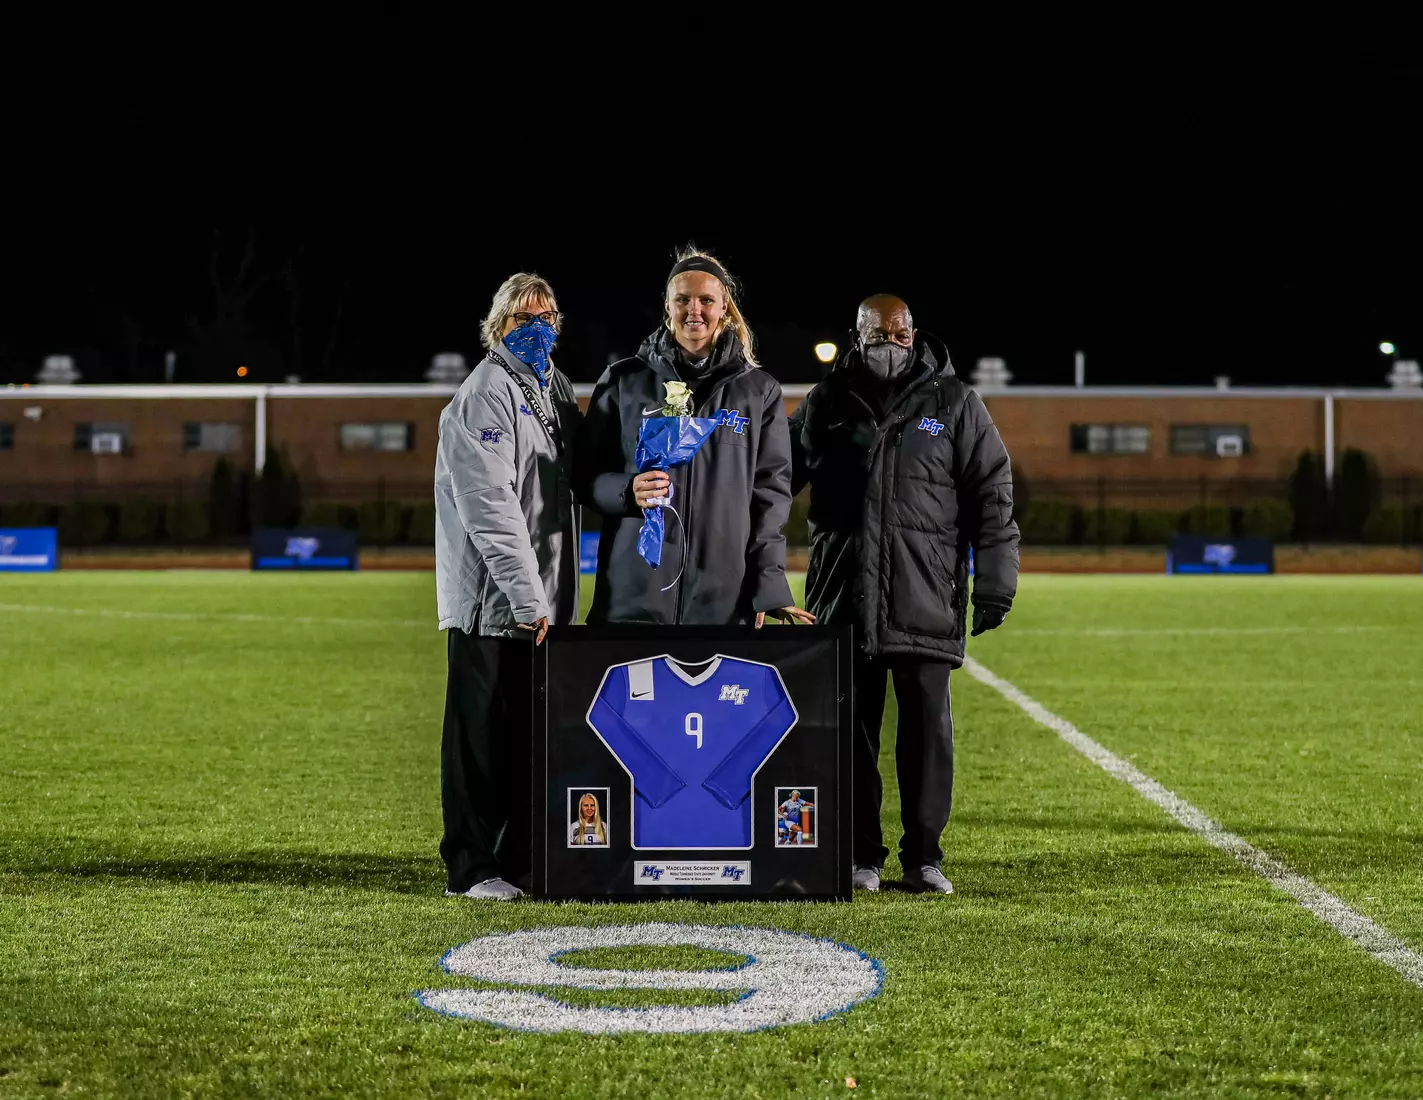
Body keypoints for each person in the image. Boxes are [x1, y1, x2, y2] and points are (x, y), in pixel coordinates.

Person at [789, 294, 1020, 895]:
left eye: (899, 333)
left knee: (926, 733)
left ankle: (924, 859)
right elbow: (773, 478)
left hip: (924, 594)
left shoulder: (955, 402)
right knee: (852, 733)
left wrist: (996, 579)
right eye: (876, 334)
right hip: (843, 595)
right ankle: (862, 854)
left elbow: (992, 490)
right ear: (855, 335)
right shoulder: (826, 402)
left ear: (914, 334)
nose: (889, 344)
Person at [434, 272, 581, 900]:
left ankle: (519, 861)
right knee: (480, 742)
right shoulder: (487, 391)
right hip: (493, 606)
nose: (538, 326)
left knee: (527, 737)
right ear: (498, 327)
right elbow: (490, 504)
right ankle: (472, 868)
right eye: (523, 317)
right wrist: (528, 596)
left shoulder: (552, 388)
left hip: (539, 602)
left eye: (547, 315)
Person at [578, 248, 812, 627]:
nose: (694, 310)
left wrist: (767, 588)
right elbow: (585, 477)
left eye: (706, 300)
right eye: (683, 300)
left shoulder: (759, 391)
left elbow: (769, 497)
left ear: (724, 308)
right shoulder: (623, 381)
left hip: (722, 604)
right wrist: (626, 490)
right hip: (632, 601)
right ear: (667, 306)